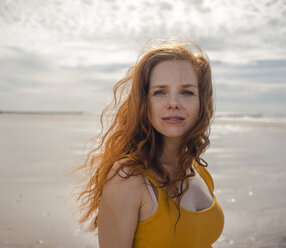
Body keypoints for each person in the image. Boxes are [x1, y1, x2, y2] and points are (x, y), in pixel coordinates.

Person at [75, 39, 224, 248]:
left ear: (201, 102)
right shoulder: (127, 178)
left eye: (187, 92)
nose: (173, 103)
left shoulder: (199, 171)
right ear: (144, 103)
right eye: (159, 92)